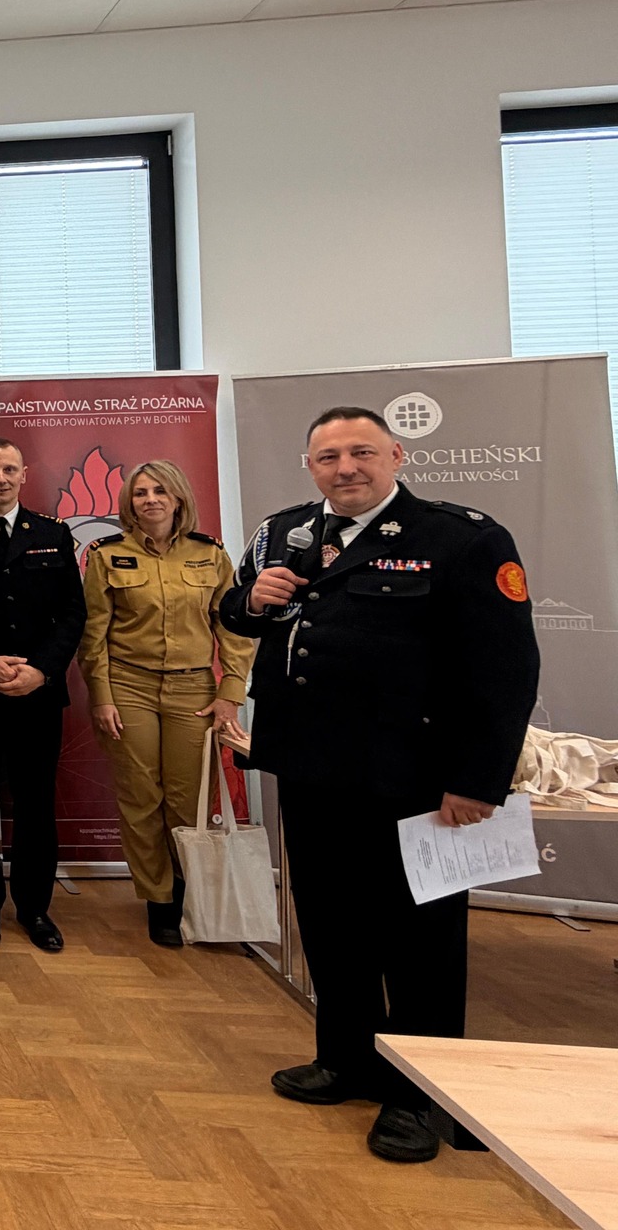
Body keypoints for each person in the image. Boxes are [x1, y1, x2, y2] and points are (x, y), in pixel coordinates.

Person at [220, 406, 538, 1164]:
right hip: (311, 769)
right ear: (310, 466)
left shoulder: (462, 538)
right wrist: (251, 600)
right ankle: (347, 1060)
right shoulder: (283, 531)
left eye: (361, 452)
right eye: (328, 457)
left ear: (396, 456)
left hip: (414, 780)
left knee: (420, 943)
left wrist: (477, 780)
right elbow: (234, 613)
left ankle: (418, 1095)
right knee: (331, 926)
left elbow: (505, 671)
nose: (345, 468)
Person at [78, 459, 254, 948]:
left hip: (192, 689)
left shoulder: (209, 553)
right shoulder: (106, 554)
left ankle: (191, 891)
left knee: (187, 800)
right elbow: (93, 634)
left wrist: (230, 691)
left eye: (160, 491)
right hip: (128, 687)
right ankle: (160, 902)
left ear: (178, 499)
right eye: (140, 493)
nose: (150, 499)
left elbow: (232, 627)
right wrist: (102, 696)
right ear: (129, 503)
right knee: (140, 797)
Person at [0, 438, 85, 953]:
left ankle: (34, 907)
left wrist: (42, 671)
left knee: (35, 804)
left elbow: (72, 613)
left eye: (8, 469)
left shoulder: (52, 533)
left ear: (24, 474)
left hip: (36, 694)